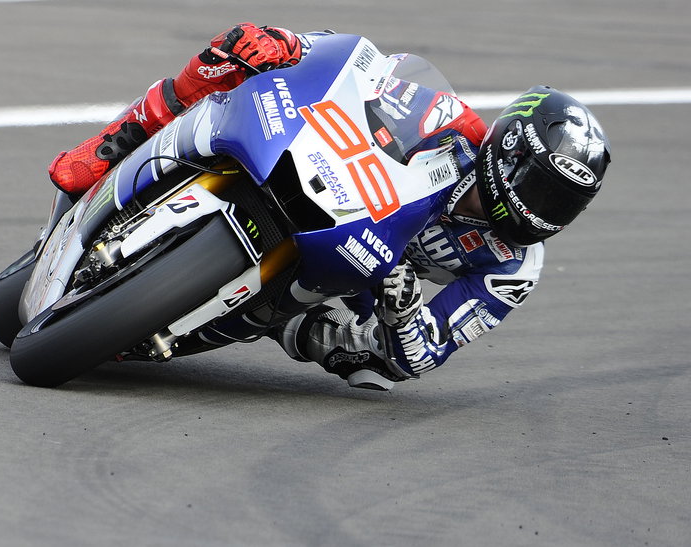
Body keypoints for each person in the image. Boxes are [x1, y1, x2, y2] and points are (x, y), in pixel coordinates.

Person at [47, 23, 612, 389]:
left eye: (564, 203)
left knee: (372, 370)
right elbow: (356, 71)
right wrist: (290, 46)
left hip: (364, 282)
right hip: (335, 193)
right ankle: (110, 148)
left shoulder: (516, 268)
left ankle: (228, 320)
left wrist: (404, 311)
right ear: (509, 150)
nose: (544, 212)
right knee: (237, 48)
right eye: (541, 188)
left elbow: (422, 355)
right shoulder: (451, 121)